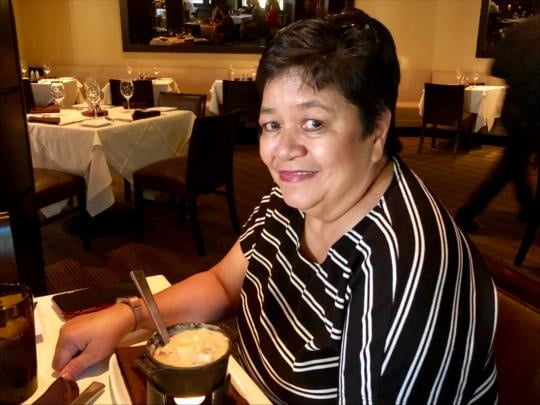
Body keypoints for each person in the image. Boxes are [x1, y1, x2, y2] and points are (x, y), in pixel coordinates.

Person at [53, 9, 497, 403]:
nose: (284, 150)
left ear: (377, 129)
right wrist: (126, 316)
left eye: (313, 122)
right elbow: (223, 284)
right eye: (271, 125)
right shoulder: (295, 199)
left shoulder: (404, 270)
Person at [456, 13, 540, 232]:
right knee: (510, 165)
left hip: (514, 107)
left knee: (514, 162)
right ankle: (467, 213)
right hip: (534, 111)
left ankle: (528, 208)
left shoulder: (522, 29)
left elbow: (498, 68)